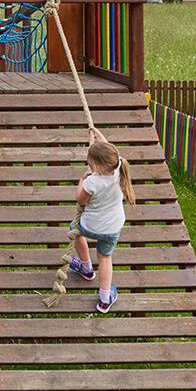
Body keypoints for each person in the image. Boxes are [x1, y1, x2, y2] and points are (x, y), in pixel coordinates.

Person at [65, 134, 134, 313]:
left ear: (96, 165)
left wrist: (82, 180)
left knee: (74, 230)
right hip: (112, 228)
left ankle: (86, 268)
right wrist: (96, 131)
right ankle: (104, 299)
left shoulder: (92, 182)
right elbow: (108, 147)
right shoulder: (119, 167)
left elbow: (81, 200)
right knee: (105, 257)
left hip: (91, 226)